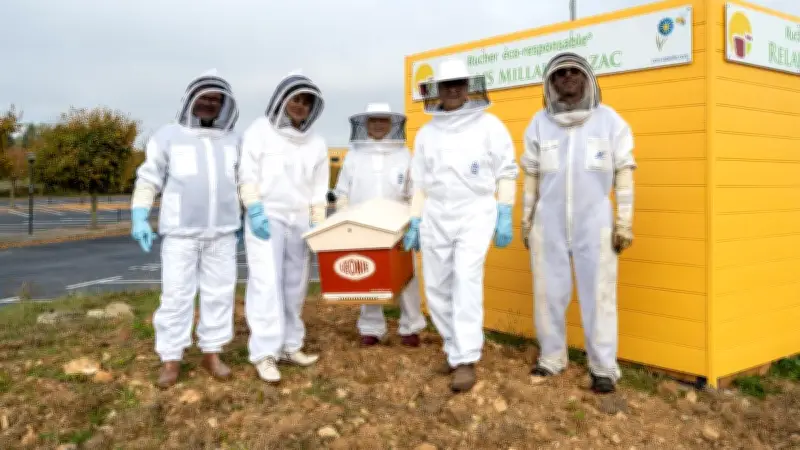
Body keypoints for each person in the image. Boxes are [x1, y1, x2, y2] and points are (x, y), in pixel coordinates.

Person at [520, 52, 636, 394]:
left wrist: (624, 222)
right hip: (548, 222)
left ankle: (603, 367)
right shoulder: (539, 123)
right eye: (560, 74)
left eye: (574, 72)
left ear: (587, 79)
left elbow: (625, 171)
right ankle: (552, 358)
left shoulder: (610, 121)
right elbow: (531, 176)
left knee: (598, 295)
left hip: (595, 221)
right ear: (551, 84)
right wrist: (526, 221)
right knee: (548, 293)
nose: (567, 78)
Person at [402, 59, 519, 392]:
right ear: (436, 90)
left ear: (469, 87)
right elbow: (420, 182)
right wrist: (415, 218)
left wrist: (505, 211)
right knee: (436, 286)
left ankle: (467, 358)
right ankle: (454, 349)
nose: (453, 89)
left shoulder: (490, 125)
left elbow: (506, 171)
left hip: (474, 212)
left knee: (466, 281)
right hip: (436, 214)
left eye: (459, 83)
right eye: (447, 84)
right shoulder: (426, 133)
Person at [130, 69, 242, 388]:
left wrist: (251, 212)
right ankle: (171, 358)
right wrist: (140, 214)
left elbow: (245, 179)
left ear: (224, 105)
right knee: (177, 295)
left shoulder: (233, 139)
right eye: (204, 98)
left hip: (222, 232)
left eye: (216, 100)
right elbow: (149, 177)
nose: (209, 104)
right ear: (191, 99)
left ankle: (212, 352)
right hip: (180, 233)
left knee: (219, 294)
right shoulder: (167, 136)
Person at [238, 70, 329, 382]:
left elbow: (319, 188)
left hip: (300, 219)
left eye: (305, 101)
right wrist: (254, 208)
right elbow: (247, 175)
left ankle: (291, 345)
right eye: (295, 99)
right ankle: (264, 352)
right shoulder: (259, 131)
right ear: (281, 99)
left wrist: (318, 221)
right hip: (268, 216)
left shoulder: (316, 143)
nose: (300, 105)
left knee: (295, 284)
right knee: (265, 283)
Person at [334, 102, 427, 347]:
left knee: (407, 276)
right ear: (365, 124)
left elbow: (414, 190)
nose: (377, 125)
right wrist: (344, 219)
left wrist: (414, 219)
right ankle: (372, 328)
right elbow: (342, 191)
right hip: (363, 224)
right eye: (373, 120)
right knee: (368, 274)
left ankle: (411, 327)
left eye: (382, 120)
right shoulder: (354, 155)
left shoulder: (404, 154)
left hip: (398, 225)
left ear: (391, 124)